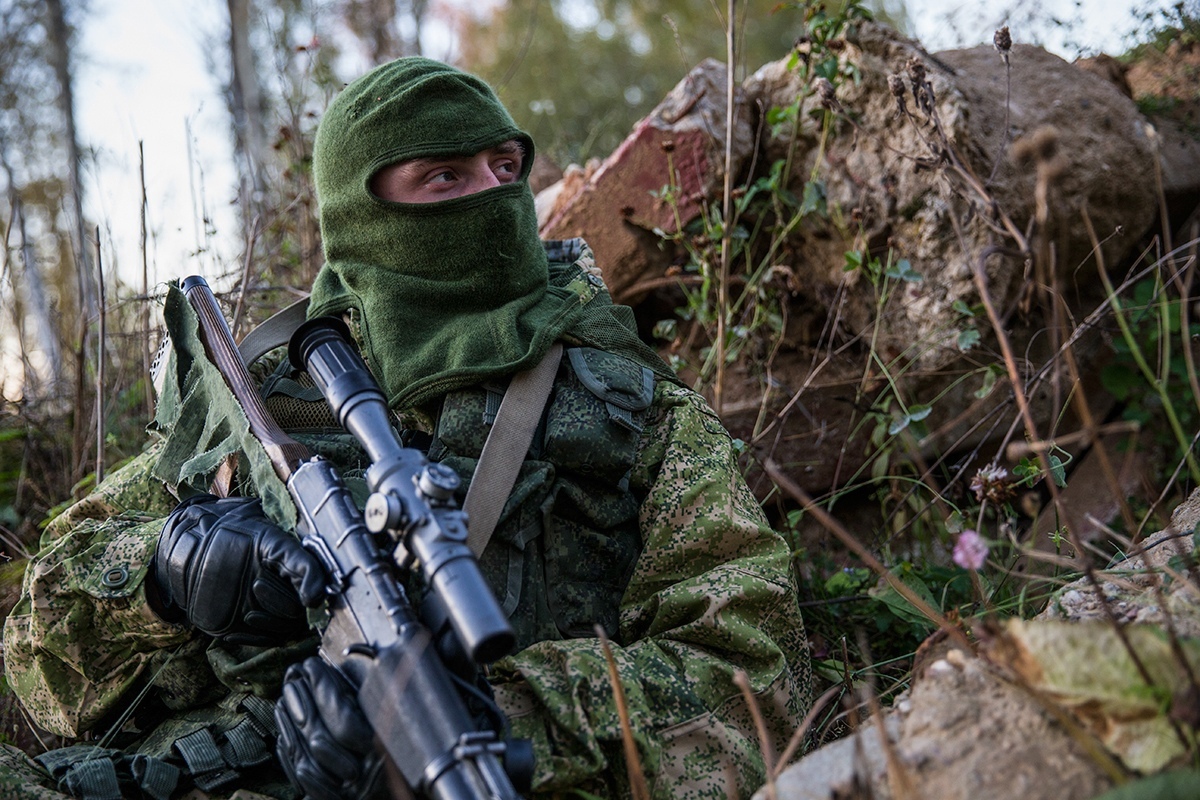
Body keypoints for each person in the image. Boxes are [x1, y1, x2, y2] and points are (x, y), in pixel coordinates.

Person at [2, 57, 812, 800]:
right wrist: (167, 572)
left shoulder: (632, 409)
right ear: (361, 212)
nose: (491, 198)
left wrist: (478, 720)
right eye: (445, 177)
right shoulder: (261, 407)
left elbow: (756, 675)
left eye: (505, 170)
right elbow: (38, 667)